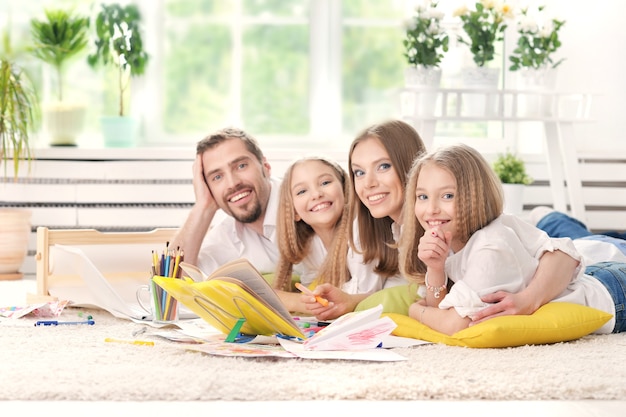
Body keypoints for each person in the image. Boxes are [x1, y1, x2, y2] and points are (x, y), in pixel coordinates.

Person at [398, 143, 626, 335]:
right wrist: (435, 268)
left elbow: (457, 324)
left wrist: (415, 311)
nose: (431, 209)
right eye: (423, 196)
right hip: (596, 271)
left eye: (447, 195)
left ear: (475, 197)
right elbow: (438, 307)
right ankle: (550, 218)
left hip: (612, 294)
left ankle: (550, 217)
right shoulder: (447, 238)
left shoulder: (490, 246)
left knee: (603, 244)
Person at [168, 127, 295, 277]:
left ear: (265, 167)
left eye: (241, 166)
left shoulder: (306, 202)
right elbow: (169, 286)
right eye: (217, 177)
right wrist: (203, 207)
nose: (232, 183)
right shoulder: (227, 234)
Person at [273, 156, 385, 313]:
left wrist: (293, 302)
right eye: (302, 191)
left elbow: (364, 298)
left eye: (325, 183)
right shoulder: (311, 245)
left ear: (345, 190)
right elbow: (312, 286)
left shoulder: (360, 232)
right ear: (294, 212)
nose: (316, 194)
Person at [529, 207, 626, 262]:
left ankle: (607, 236)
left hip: (593, 248)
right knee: (548, 218)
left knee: (549, 218)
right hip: (597, 246)